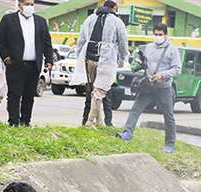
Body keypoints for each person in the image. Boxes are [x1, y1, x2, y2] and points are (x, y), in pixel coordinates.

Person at [116, 24, 180, 154]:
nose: (157, 37)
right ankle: (127, 134)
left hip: (164, 88)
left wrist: (163, 74)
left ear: (166, 35)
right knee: (135, 109)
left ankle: (169, 144)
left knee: (168, 116)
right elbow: (142, 63)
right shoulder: (149, 48)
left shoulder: (173, 50)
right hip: (148, 85)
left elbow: (177, 69)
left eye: (160, 34)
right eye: (155, 34)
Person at [0, 0, 53, 127]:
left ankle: (26, 121)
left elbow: (47, 42)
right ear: (19, 5)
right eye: (27, 4)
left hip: (34, 64)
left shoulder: (40, 22)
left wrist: (49, 59)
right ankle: (13, 121)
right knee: (14, 94)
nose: (30, 7)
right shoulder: (9, 20)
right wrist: (5, 57)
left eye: (32, 4)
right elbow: (0, 40)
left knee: (29, 95)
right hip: (15, 64)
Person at [70, 0, 127, 128]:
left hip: (88, 58)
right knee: (101, 92)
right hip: (106, 60)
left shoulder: (90, 18)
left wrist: (79, 57)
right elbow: (123, 42)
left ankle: (93, 121)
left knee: (92, 91)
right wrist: (122, 58)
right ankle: (93, 122)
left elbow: (81, 40)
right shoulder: (117, 22)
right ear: (114, 7)